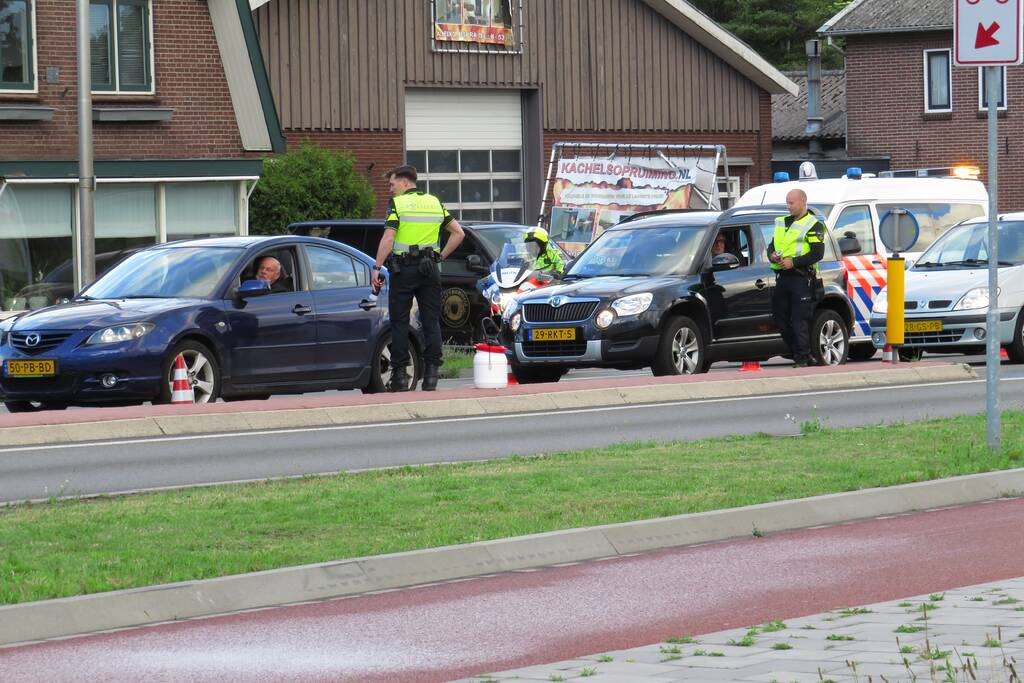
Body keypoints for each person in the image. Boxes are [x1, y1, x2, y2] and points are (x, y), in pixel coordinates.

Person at [371, 165, 464, 392]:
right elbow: (458, 233)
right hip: (430, 269)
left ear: (404, 183)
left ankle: (400, 376)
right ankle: (431, 375)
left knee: (400, 322)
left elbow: (388, 238)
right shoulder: (434, 202)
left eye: (392, 185)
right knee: (431, 321)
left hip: (404, 270)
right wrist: (440, 256)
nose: (391, 190)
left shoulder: (398, 204)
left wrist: (377, 267)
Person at [767, 189, 826, 367]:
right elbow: (772, 246)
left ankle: (802, 357)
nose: (788, 206)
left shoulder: (813, 224)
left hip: (801, 277)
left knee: (800, 320)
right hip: (782, 277)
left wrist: (794, 262)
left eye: (792, 202)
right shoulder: (781, 222)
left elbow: (818, 253)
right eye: (787, 202)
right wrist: (772, 256)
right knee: (780, 318)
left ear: (803, 201)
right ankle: (800, 353)